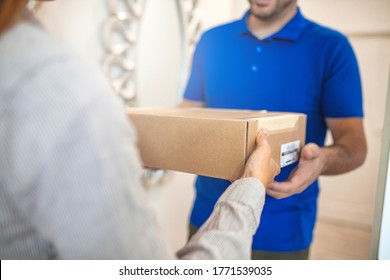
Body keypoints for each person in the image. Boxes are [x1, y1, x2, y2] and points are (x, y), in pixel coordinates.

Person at [0, 0, 280, 259]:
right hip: (210, 208)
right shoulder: (57, 86)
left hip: (284, 226)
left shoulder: (40, 77)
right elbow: (188, 112)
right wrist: (251, 187)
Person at [181, 0, 367, 260]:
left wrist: (321, 161)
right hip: (208, 218)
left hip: (283, 232)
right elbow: (186, 114)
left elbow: (355, 146)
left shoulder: (331, 47)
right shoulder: (212, 40)